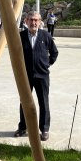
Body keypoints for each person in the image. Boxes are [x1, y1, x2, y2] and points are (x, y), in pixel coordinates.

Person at [14, 11, 58, 141]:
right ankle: (23, 127)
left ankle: (44, 129)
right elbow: (15, 54)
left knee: (43, 102)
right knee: (24, 102)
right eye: (31, 20)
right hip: (25, 76)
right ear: (26, 21)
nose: (33, 23)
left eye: (36, 20)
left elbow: (54, 52)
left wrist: (46, 64)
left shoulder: (46, 35)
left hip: (42, 76)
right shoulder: (20, 36)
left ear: (40, 22)